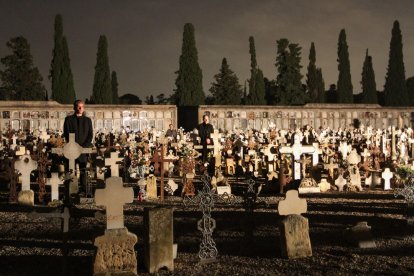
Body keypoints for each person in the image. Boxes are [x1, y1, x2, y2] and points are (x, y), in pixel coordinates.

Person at [63, 99, 93, 194]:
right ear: (75, 107)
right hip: (72, 149)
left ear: (84, 108)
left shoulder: (88, 121)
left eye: (82, 107)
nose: (80, 108)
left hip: (83, 150)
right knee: (71, 170)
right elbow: (67, 133)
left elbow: (90, 135)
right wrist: (74, 145)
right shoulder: (68, 120)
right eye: (78, 106)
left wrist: (84, 147)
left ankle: (84, 190)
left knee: (83, 170)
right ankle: (71, 189)